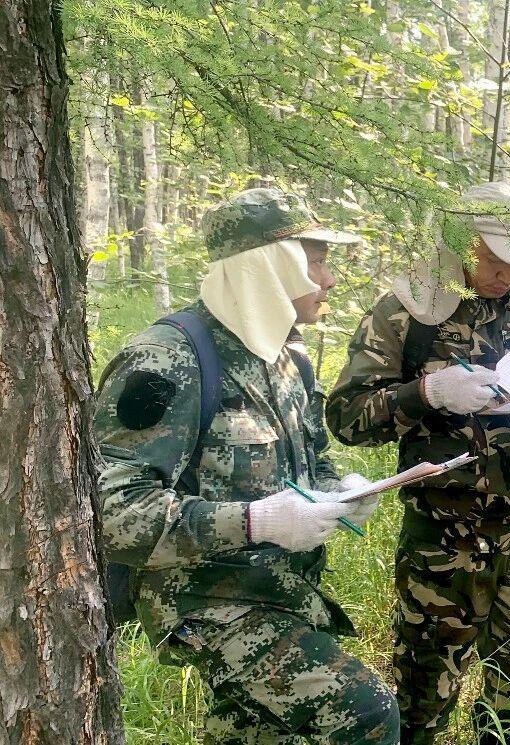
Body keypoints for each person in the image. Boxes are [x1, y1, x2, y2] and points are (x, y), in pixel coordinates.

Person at [95, 187, 398, 743]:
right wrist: (257, 521)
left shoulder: (287, 357)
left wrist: (342, 490)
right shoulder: (167, 359)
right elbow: (111, 515)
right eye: (316, 261)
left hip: (283, 590)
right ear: (268, 267)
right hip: (207, 600)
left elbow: (313, 459)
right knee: (365, 712)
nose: (329, 279)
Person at [325, 181, 510, 744]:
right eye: (496, 260)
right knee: (421, 701)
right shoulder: (408, 312)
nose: (509, 275)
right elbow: (347, 417)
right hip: (444, 541)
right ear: (463, 243)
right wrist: (429, 392)